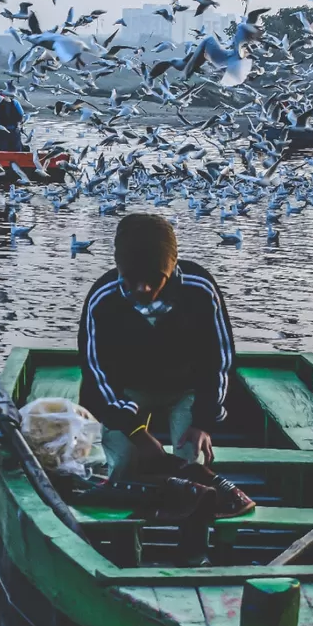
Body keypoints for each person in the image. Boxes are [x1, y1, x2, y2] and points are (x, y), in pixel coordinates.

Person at [78, 213, 254, 531]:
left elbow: (220, 361)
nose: (143, 288)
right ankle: (124, 539)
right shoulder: (102, 300)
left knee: (191, 458)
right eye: (131, 278)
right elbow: (96, 375)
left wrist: (203, 422)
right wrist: (137, 434)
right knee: (124, 462)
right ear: (119, 268)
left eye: (155, 278)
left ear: (170, 269)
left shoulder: (200, 289)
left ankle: (194, 541)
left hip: (185, 390)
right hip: (127, 392)